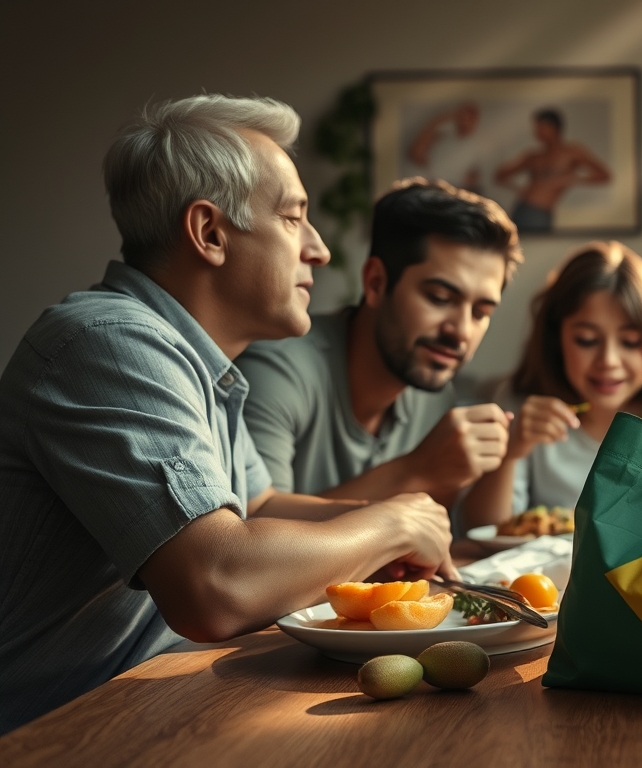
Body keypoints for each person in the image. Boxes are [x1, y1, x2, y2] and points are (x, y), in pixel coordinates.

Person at [0, 95, 457, 734]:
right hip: (51, 732)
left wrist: (404, 525)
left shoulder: (196, 360)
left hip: (152, 707)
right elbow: (216, 585)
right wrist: (388, 525)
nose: (320, 251)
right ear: (210, 233)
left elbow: (259, 506)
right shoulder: (108, 344)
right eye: (295, 218)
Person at [236, 179, 521, 509]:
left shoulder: (433, 396)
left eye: (481, 312)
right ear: (375, 282)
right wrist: (415, 470)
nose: (460, 331)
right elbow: (254, 534)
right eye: (440, 298)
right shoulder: (276, 372)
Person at [460, 241, 642, 526]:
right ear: (555, 339)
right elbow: (482, 529)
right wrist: (512, 452)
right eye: (587, 340)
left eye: (631, 342)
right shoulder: (522, 403)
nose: (608, 360)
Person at [494, 108, 611, 233]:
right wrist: (518, 188)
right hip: (521, 209)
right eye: (536, 127)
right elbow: (500, 175)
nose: (537, 131)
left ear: (554, 127)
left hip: (540, 214)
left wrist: (573, 179)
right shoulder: (533, 156)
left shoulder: (572, 152)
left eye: (541, 126)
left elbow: (604, 175)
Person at [407, 102, 485, 194]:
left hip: (459, 193)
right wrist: (439, 120)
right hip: (434, 190)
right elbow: (416, 154)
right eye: (463, 117)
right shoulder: (442, 139)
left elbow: (476, 177)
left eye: (470, 118)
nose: (465, 121)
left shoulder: (479, 147)